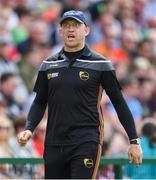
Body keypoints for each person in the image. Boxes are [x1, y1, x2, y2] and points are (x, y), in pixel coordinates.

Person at [17, 10, 143, 179]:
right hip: (54, 142)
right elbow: (40, 102)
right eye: (66, 26)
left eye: (76, 25)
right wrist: (29, 128)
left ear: (86, 30)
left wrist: (134, 140)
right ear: (60, 31)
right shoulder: (48, 64)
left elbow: (119, 103)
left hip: (86, 140)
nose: (71, 30)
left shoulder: (101, 64)